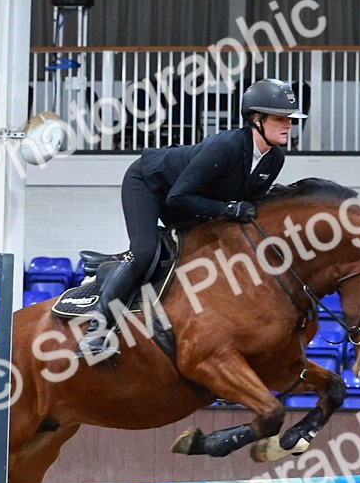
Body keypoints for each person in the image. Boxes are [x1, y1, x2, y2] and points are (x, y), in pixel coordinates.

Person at [80, 77, 307, 357]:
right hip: (150, 184)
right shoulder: (226, 147)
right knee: (144, 252)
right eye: (281, 118)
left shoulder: (274, 159)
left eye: (291, 119)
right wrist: (227, 210)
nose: (289, 125)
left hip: (191, 201)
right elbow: (178, 197)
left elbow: (245, 207)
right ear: (256, 118)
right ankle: (96, 331)